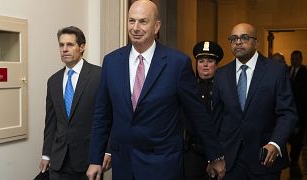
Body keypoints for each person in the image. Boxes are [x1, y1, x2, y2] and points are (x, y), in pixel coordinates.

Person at [86, 1, 226, 180]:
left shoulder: (177, 63)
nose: (135, 27)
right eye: (131, 21)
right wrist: (95, 159)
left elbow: (196, 114)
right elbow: (102, 115)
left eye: (143, 21)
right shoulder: (111, 62)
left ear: (156, 26)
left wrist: (215, 155)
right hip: (124, 165)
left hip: (163, 165)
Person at [211, 23, 297, 180]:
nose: (238, 42)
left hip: (264, 158)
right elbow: (216, 119)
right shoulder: (221, 75)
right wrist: (214, 156)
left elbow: (288, 113)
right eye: (234, 38)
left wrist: (275, 144)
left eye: (244, 37)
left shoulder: (276, 71)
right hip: (231, 161)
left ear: (256, 42)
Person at [38, 26, 111, 180]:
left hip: (89, 160)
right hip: (58, 161)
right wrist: (46, 155)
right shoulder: (53, 81)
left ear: (82, 47)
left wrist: (108, 151)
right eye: (61, 45)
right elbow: (51, 122)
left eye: (69, 44)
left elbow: (110, 117)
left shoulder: (99, 76)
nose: (64, 49)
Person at [184, 41, 224, 180]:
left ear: (216, 64)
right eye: (201, 61)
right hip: (193, 151)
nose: (205, 65)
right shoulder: (188, 88)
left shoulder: (224, 88)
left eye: (210, 61)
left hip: (219, 150)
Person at [288, 50, 307, 178]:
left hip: (301, 111)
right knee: (289, 136)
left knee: (298, 138)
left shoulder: (305, 73)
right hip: (288, 110)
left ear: (301, 59)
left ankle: (294, 161)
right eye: (292, 59)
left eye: (296, 59)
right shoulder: (286, 71)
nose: (294, 61)